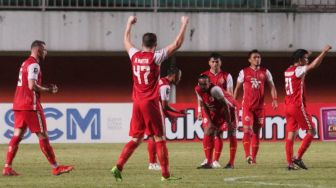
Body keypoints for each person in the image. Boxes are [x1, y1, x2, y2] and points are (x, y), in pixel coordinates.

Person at [111, 15, 189, 182]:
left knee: (136, 138)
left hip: (137, 102)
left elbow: (125, 39)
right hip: (150, 102)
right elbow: (177, 44)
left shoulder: (134, 54)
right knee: (159, 138)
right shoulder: (156, 57)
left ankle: (118, 166)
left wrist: (129, 23)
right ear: (155, 45)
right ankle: (166, 175)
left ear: (142, 44)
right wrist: (184, 24)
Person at [2, 40, 74, 176]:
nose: (46, 52)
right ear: (39, 50)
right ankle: (55, 167)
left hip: (18, 104)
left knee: (17, 136)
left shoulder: (25, 63)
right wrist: (49, 89)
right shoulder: (34, 64)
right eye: (45, 50)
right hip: (31, 105)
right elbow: (32, 85)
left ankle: (7, 167)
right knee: (43, 135)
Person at [285, 45, 331, 170]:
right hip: (297, 106)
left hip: (288, 106)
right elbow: (313, 66)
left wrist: (306, 54)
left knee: (291, 135)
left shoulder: (288, 70)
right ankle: (298, 157)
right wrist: (323, 52)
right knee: (312, 131)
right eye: (305, 58)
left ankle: (289, 163)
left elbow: (303, 63)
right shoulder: (298, 70)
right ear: (300, 60)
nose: (307, 60)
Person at [233, 49, 278, 164]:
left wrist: (274, 99)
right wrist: (233, 102)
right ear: (249, 60)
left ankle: (254, 158)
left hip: (260, 107)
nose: (257, 59)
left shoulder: (266, 72)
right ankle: (247, 155)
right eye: (255, 57)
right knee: (247, 130)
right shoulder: (244, 72)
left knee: (257, 132)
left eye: (259, 57)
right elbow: (237, 88)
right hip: (247, 106)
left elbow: (272, 86)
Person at [197, 53, 237, 169]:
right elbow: (200, 95)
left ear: (220, 63)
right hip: (209, 108)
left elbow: (230, 94)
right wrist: (199, 110)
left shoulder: (226, 76)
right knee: (207, 131)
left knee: (220, 133)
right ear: (209, 63)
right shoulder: (203, 76)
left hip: (223, 108)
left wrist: (218, 96)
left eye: (217, 61)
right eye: (213, 62)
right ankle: (208, 158)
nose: (215, 64)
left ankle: (216, 160)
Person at [147, 66, 186, 170]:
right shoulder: (166, 86)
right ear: (174, 75)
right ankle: (160, 165)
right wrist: (178, 112)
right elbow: (164, 106)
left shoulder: (159, 81)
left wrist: (170, 116)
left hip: (147, 108)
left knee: (151, 136)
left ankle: (152, 163)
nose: (179, 79)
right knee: (160, 138)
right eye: (179, 76)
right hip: (155, 110)